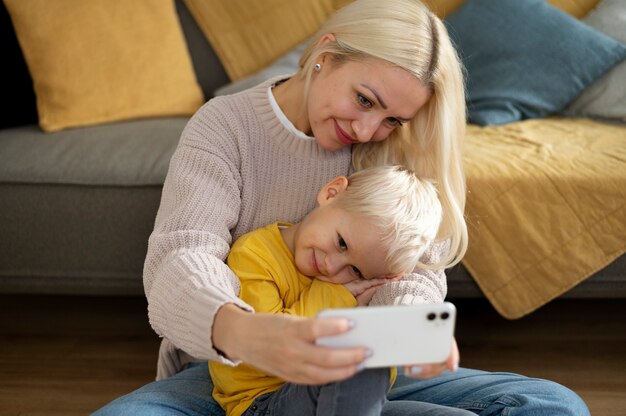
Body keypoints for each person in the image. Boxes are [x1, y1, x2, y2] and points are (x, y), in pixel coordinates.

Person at [93, 0, 589, 414]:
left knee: (551, 405)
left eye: (393, 118)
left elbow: (412, 275)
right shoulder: (226, 126)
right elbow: (180, 258)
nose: (369, 131)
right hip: (230, 372)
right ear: (325, 56)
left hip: (357, 369)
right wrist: (245, 330)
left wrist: (407, 329)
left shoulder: (399, 145)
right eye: (365, 100)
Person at [212, 165, 465, 416]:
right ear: (331, 193)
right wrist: (340, 296)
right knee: (356, 358)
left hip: (342, 402)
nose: (331, 266)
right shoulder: (254, 255)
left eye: (355, 270)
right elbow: (268, 349)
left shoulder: (353, 282)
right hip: (263, 402)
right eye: (341, 243)